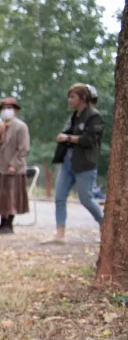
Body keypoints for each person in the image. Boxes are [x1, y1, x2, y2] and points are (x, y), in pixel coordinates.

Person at [45, 83, 104, 244]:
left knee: (86, 198)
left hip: (84, 164)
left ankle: (105, 225)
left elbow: (91, 140)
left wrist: (69, 138)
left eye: (73, 97)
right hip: (67, 163)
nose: (69, 100)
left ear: (83, 98)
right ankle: (60, 234)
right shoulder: (73, 117)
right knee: (60, 197)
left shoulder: (94, 116)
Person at [0, 97, 30, 234]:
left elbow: (24, 148)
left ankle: (9, 224)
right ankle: (2, 223)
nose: (6, 111)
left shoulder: (21, 127)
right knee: (0, 196)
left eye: (9, 108)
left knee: (11, 196)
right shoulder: (0, 127)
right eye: (4, 108)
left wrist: (14, 164)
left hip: (12, 168)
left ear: (15, 110)